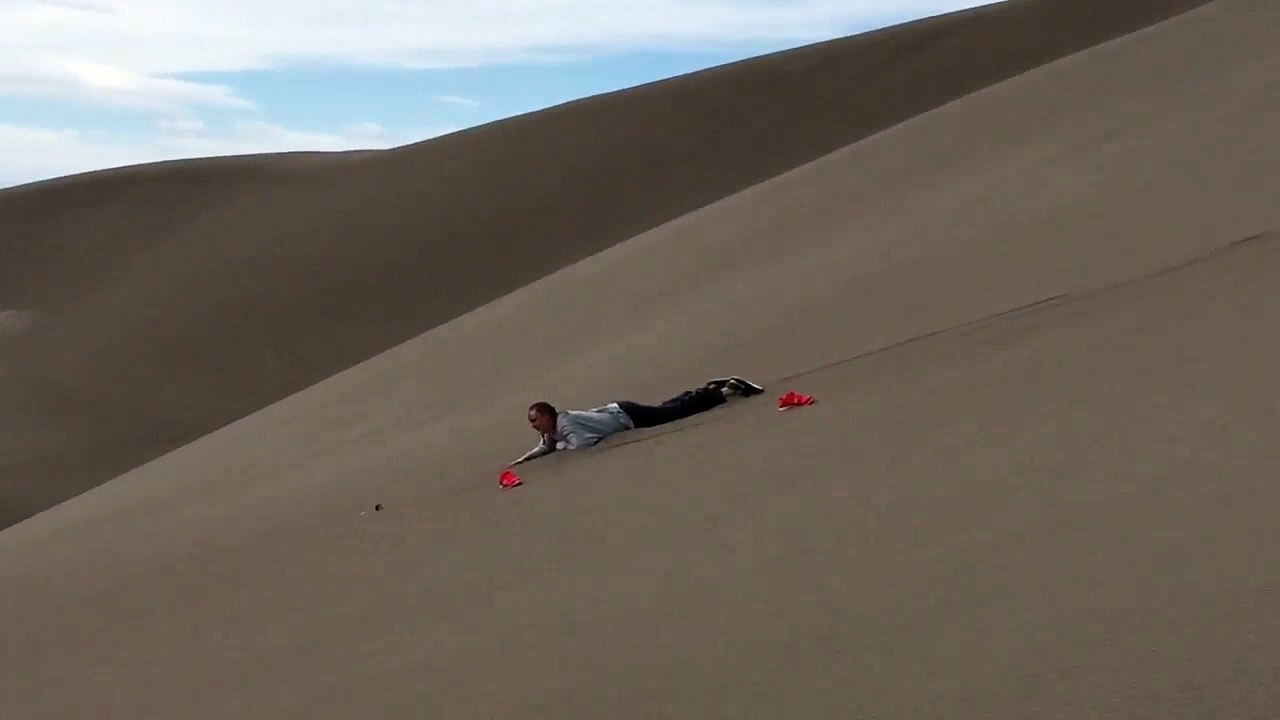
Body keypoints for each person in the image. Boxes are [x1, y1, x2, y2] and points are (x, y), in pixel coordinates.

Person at [510, 376, 764, 466]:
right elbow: (547, 444)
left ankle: (724, 392)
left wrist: (563, 447)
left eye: (535, 420)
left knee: (673, 414)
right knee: (667, 408)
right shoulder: (554, 428)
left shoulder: (565, 425)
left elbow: (584, 444)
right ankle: (705, 389)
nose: (534, 425)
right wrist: (526, 458)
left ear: (546, 415)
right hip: (621, 411)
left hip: (627, 416)